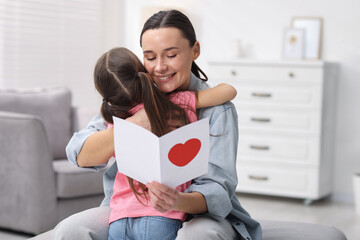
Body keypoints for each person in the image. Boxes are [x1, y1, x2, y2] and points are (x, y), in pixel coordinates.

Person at [54, 9, 262, 240]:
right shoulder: (133, 97)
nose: (159, 67)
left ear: (195, 51)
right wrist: (138, 122)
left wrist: (178, 201)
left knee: (196, 236)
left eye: (171, 55)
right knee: (69, 230)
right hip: (131, 211)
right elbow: (79, 153)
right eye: (150, 58)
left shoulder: (217, 109)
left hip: (198, 214)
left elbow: (218, 192)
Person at [93, 47, 237, 240]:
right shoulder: (177, 102)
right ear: (143, 75)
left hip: (120, 216)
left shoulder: (114, 123)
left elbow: (93, 155)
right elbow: (228, 91)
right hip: (162, 215)